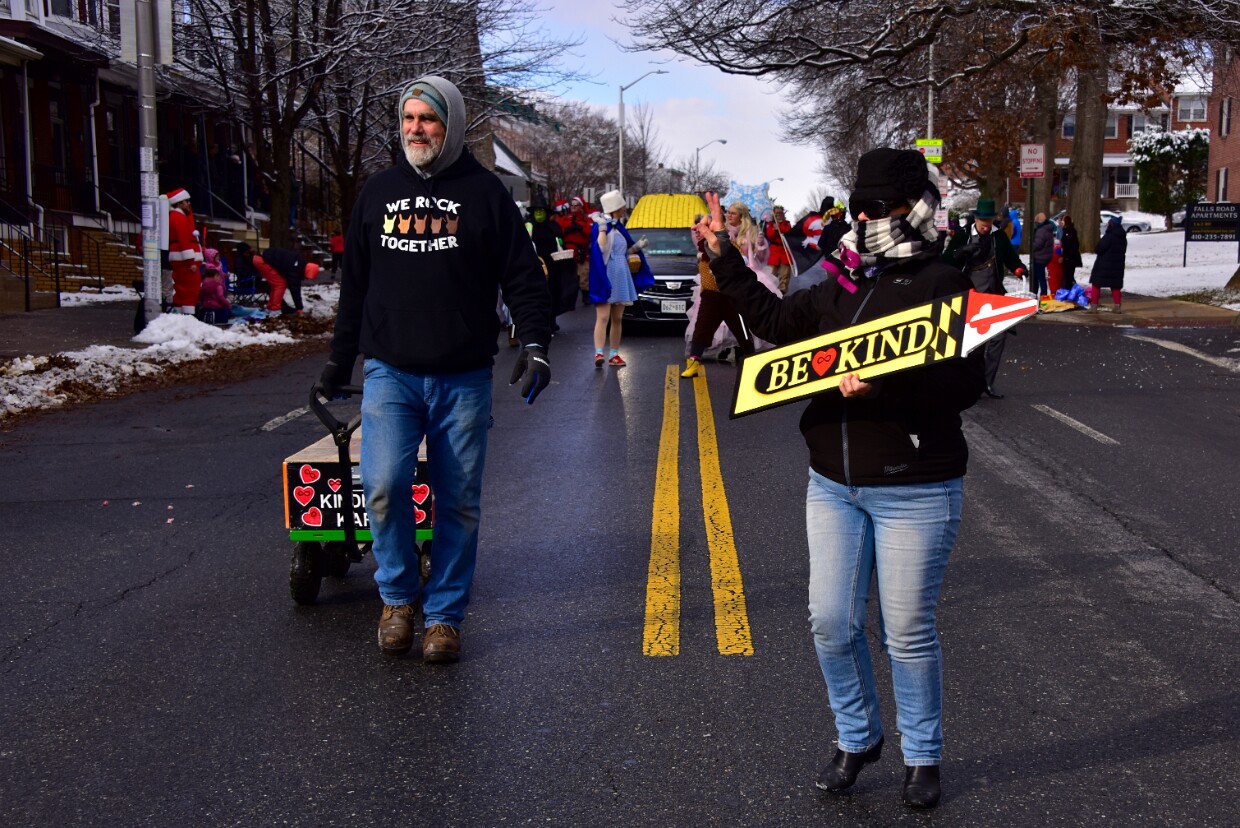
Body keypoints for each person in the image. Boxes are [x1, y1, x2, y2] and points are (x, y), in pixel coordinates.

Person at [700, 148, 985, 811]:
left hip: (916, 484)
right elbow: (772, 325)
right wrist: (723, 258)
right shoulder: (841, 282)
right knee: (830, 622)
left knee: (907, 631)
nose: (863, 217)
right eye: (857, 206)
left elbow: (964, 385)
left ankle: (923, 757)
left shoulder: (945, 281)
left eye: (878, 207)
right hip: (833, 481)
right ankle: (858, 739)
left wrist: (886, 381)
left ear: (913, 210)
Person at [319, 75, 552, 663]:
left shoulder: (486, 194)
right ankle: (398, 598)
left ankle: (444, 615)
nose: (416, 129)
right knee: (386, 484)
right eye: (409, 118)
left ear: (450, 124)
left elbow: (522, 276)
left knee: (458, 500)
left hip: (463, 375)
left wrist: (536, 342)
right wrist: (336, 360)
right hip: (391, 371)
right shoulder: (376, 193)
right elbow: (356, 288)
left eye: (428, 118)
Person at [942, 197, 1027, 399]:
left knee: (999, 338)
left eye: (989, 223)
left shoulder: (998, 236)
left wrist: (1019, 268)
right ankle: (968, 383)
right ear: (976, 219)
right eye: (983, 224)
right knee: (971, 345)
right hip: (970, 297)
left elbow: (1010, 257)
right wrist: (960, 252)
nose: (986, 227)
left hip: (994, 295)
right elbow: (945, 263)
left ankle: (987, 383)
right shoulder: (963, 235)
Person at [680, 216, 754, 378]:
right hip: (711, 296)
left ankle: (753, 361)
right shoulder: (703, 248)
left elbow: (741, 262)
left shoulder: (728, 245)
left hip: (731, 296)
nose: (700, 233)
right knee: (701, 329)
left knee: (742, 330)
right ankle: (693, 363)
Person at [588, 189, 652, 367]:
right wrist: (601, 227)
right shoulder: (601, 226)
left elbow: (624, 252)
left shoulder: (619, 227)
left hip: (621, 274)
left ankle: (614, 354)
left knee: (617, 318)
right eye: (622, 206)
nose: (625, 209)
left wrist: (637, 247)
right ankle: (599, 352)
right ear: (616, 207)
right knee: (603, 317)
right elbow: (599, 250)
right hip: (605, 275)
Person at [164, 188, 203, 314]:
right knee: (191, 289)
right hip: (185, 260)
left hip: (181, 259)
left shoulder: (176, 217)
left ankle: (181, 315)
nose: (188, 204)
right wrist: (190, 261)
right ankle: (188, 316)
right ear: (179, 203)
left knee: (182, 290)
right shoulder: (178, 218)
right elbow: (183, 240)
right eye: (186, 201)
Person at [246, 247, 319, 313]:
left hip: (262, 258)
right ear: (307, 272)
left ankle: (271, 306)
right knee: (280, 284)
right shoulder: (295, 270)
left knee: (277, 283)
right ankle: (274, 309)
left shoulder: (300, 262)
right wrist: (299, 308)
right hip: (262, 262)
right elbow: (295, 290)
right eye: (307, 277)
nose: (306, 279)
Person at [556, 196, 593, 304]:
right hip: (568, 252)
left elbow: (591, 232)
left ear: (581, 207)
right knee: (569, 276)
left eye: (576, 205)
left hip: (581, 252)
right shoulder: (565, 219)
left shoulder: (586, 219)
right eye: (572, 205)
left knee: (583, 275)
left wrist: (580, 229)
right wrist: (566, 231)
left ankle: (585, 295)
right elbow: (558, 230)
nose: (573, 207)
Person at [1089, 214, 1126, 312]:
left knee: (1096, 284)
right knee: (1115, 286)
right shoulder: (1123, 238)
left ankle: (1094, 306)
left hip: (1104, 265)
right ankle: (1117, 306)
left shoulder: (1109, 236)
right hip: (1117, 266)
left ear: (1111, 225)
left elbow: (1099, 248)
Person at [764, 204, 794, 292]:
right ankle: (771, 291)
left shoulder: (787, 223)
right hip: (774, 251)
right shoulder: (770, 224)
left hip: (785, 251)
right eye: (776, 213)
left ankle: (782, 292)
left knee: (785, 274)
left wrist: (780, 226)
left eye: (780, 213)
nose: (778, 214)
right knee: (772, 273)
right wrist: (774, 229)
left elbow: (788, 232)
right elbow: (770, 236)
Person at [1030, 212, 1055, 297]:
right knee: (1040, 277)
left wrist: (1031, 245)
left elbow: (1038, 244)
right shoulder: (1048, 228)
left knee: (1039, 277)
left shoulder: (1041, 231)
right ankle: (1041, 294)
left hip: (1039, 257)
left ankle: (1040, 295)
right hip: (1045, 256)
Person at [1058, 214, 1082, 290]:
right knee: (1069, 275)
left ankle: (1069, 290)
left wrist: (1063, 256)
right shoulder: (1068, 231)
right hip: (1070, 257)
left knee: (1068, 276)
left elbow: (1068, 246)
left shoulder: (1069, 232)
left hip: (1069, 258)